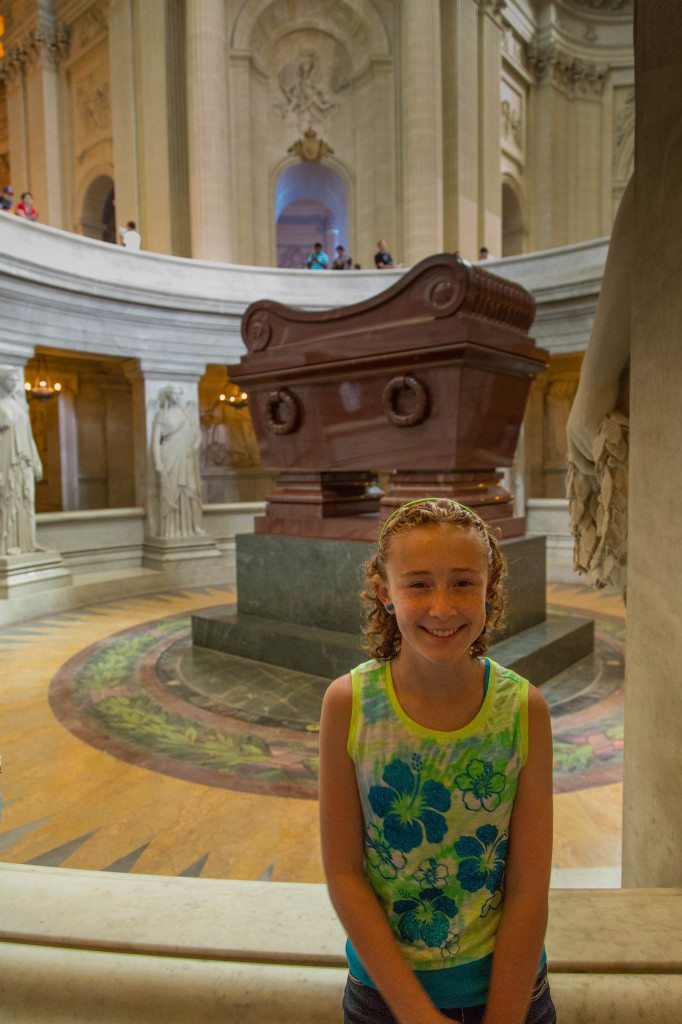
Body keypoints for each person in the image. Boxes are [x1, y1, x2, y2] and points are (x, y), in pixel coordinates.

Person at [319, 498, 555, 1024]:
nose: (443, 607)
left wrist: (505, 1018)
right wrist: (417, 1015)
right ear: (385, 592)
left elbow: (527, 888)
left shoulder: (523, 710)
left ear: (489, 590)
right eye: (419, 584)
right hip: (384, 1001)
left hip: (514, 995)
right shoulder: (349, 704)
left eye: (463, 583)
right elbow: (344, 873)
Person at [0, 366, 44, 556]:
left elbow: (29, 435)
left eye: (17, 379)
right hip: (7, 456)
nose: (15, 383)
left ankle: (28, 542)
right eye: (11, 379)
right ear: (2, 380)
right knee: (8, 498)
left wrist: (36, 459)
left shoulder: (19, 404)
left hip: (24, 456)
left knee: (27, 498)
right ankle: (8, 545)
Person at [150, 385, 204, 538]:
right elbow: (155, 442)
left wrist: (194, 447)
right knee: (171, 492)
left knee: (190, 491)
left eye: (180, 393)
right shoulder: (162, 414)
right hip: (170, 455)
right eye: (174, 393)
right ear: (168, 395)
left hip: (186, 457)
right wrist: (158, 462)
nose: (178, 396)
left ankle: (193, 527)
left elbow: (197, 433)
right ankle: (171, 529)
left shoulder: (187, 413)